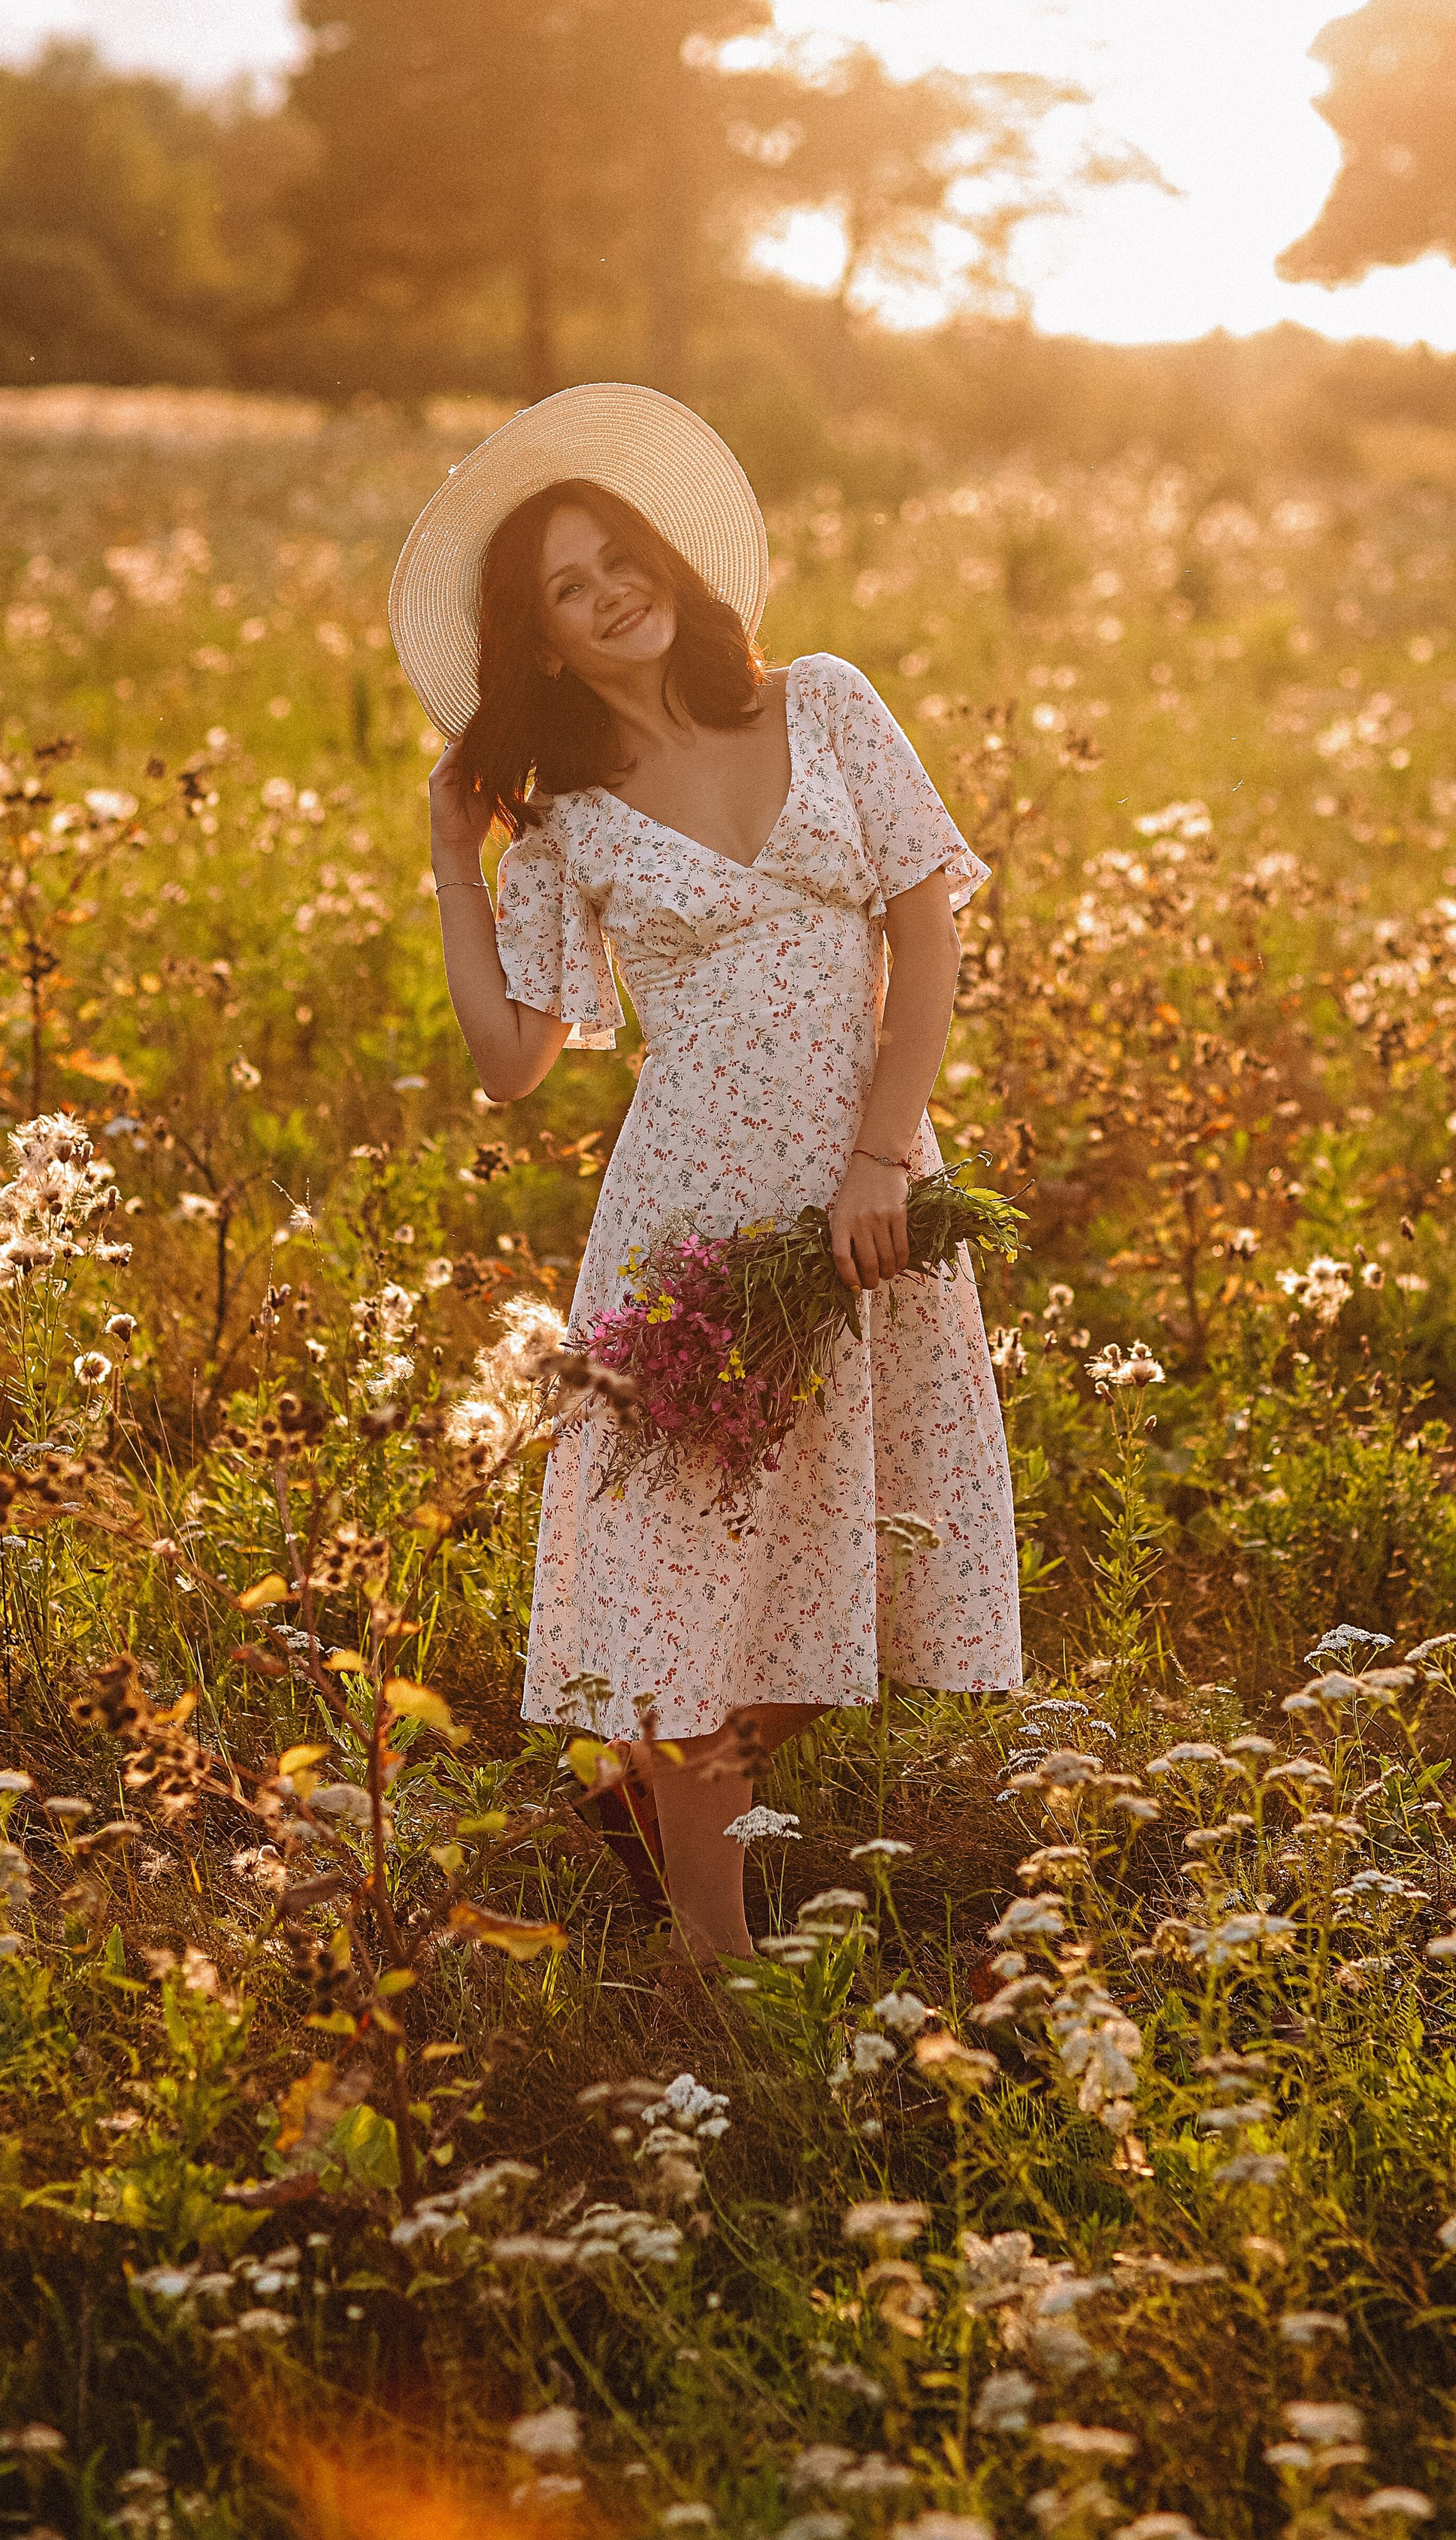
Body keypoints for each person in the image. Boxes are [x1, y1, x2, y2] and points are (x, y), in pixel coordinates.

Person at [389, 384, 1022, 1969]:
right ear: (538, 642)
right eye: (567, 588)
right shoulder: (572, 820)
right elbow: (511, 1060)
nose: (612, 594)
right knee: (681, 1564)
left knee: (845, 1550)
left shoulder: (819, 702)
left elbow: (924, 929)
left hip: (867, 1196)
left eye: (622, 558)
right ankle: (711, 1963)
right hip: (688, 1219)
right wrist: (453, 867)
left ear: (669, 560)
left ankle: (658, 1803)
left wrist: (881, 1153)